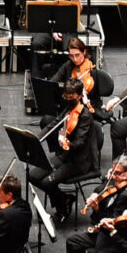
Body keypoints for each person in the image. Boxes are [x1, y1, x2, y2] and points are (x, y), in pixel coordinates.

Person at [27, 79, 98, 216]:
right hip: (65, 156)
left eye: (70, 96)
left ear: (79, 96)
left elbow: (80, 143)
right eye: (66, 96)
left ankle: (61, 203)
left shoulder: (85, 115)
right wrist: (36, 139)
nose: (67, 99)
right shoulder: (69, 107)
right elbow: (53, 124)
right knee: (33, 176)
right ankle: (64, 199)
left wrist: (66, 144)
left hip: (79, 161)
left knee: (47, 183)